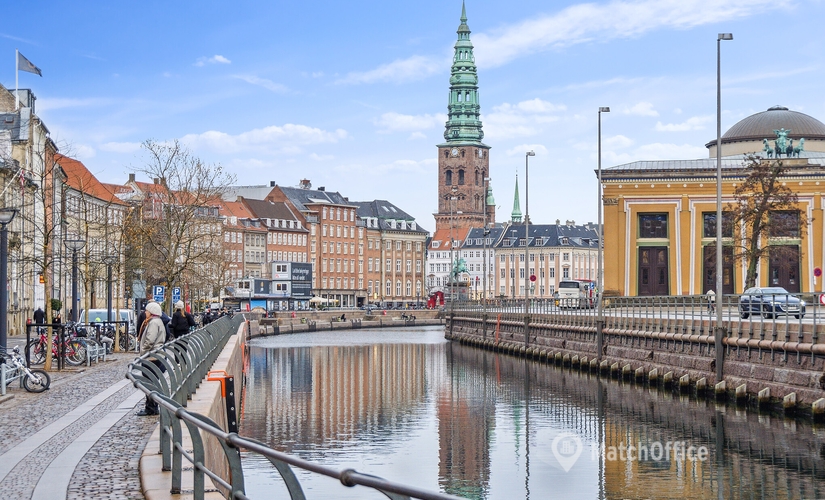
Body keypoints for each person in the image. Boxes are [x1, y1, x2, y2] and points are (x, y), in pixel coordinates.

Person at [137, 302, 166, 416]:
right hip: (155, 355)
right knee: (151, 381)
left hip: (151, 356)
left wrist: (143, 353)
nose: (145, 312)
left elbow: (150, 340)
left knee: (149, 382)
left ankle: (151, 407)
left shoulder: (153, 323)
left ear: (152, 311)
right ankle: (151, 406)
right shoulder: (157, 321)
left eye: (147, 310)